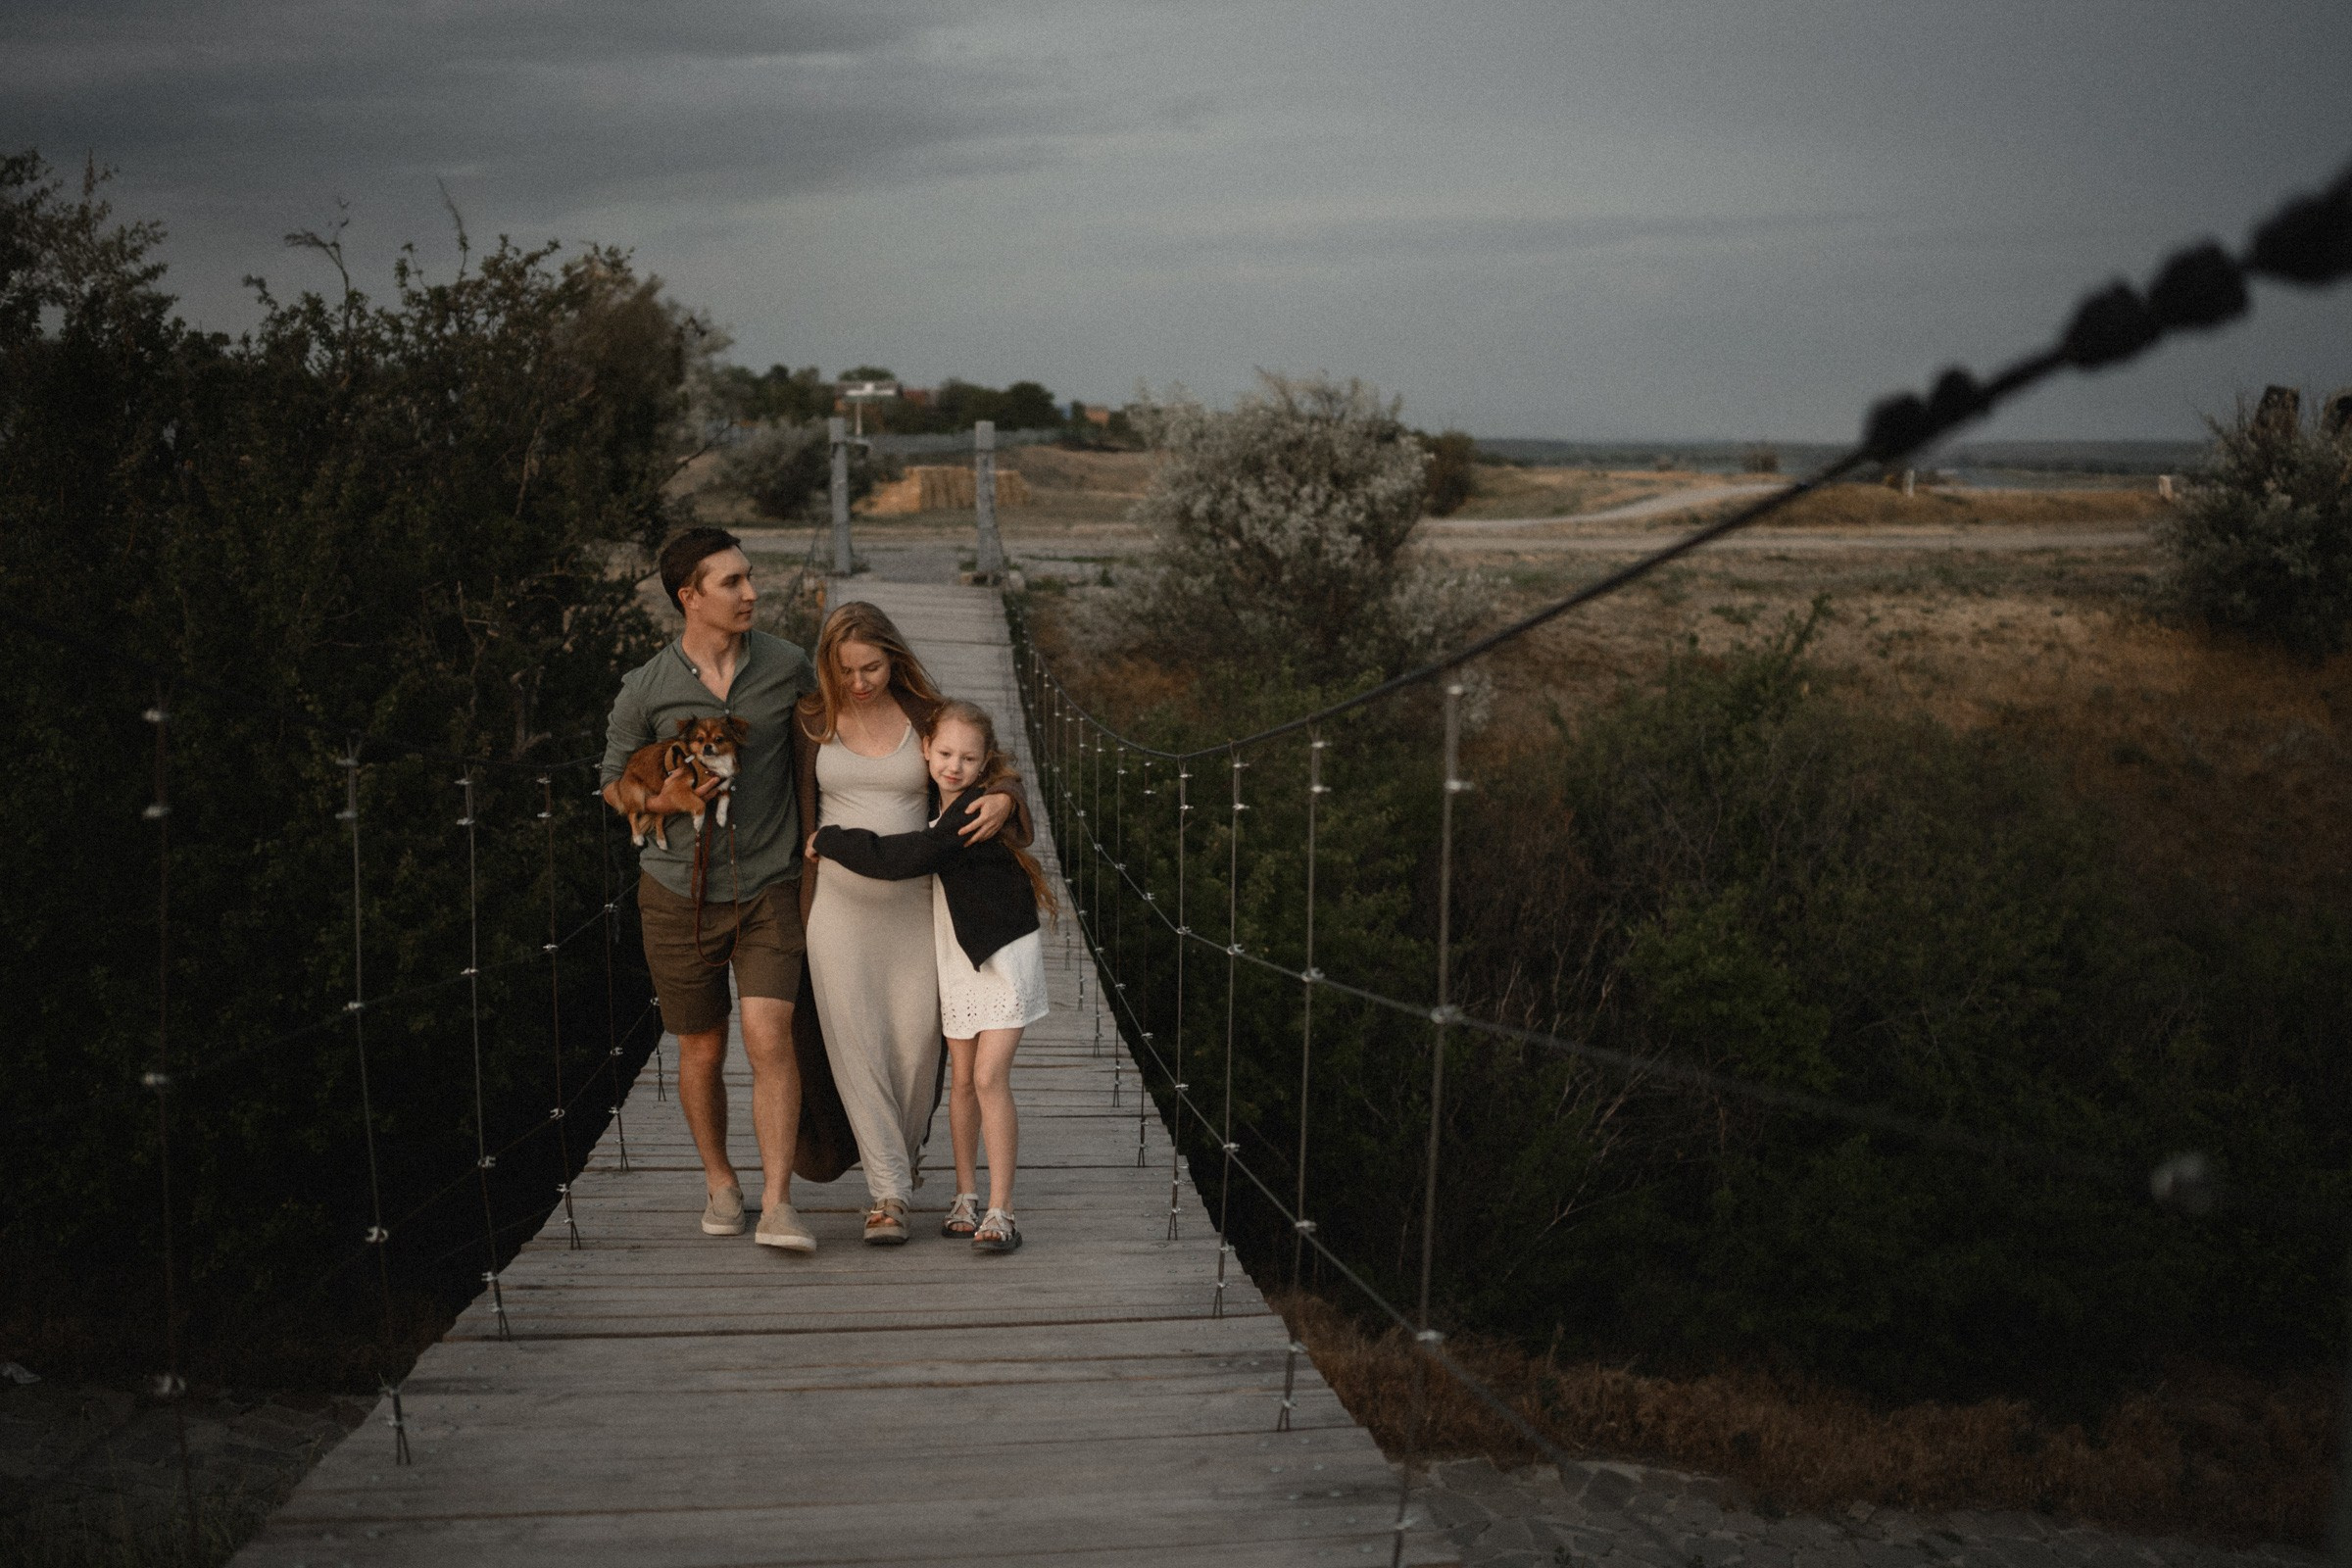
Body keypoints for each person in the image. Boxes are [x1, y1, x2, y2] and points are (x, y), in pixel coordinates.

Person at [599, 528, 831, 1251]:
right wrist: (657, 804)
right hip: (675, 895)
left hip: (770, 885)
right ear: (688, 597)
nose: (751, 593)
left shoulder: (789, 665)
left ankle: (778, 1203)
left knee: (770, 1039)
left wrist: (993, 784)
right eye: (731, 583)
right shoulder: (646, 687)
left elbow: (850, 734)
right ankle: (721, 1183)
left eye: (750, 578)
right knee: (701, 1048)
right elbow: (610, 784)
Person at [794, 603, 1031, 1245]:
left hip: (918, 906)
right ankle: (888, 1193)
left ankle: (903, 1158)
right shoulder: (812, 718)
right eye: (845, 670)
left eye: (870, 666)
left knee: (914, 1049)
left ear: (892, 658)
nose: (860, 682)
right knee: (856, 1044)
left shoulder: (925, 716)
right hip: (837, 908)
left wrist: (1007, 796)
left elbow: (984, 760)